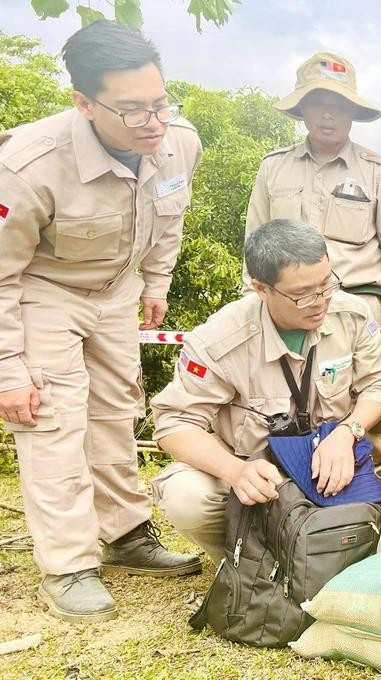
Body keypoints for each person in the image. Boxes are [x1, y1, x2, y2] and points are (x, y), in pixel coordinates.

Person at [0, 20, 202, 623]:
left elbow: (170, 216)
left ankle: (127, 534)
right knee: (54, 417)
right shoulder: (28, 165)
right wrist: (9, 369)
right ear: (83, 103)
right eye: (133, 111)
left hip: (117, 289)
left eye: (160, 102)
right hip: (44, 287)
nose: (154, 123)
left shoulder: (177, 140)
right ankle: (67, 564)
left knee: (117, 407)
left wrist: (157, 283)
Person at [151, 220, 381, 564]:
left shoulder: (352, 316)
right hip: (255, 475)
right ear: (260, 288)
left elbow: (380, 384)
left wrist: (347, 432)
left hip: (325, 470)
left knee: (379, 548)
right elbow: (174, 423)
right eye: (302, 295)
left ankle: (307, 558)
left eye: (326, 284)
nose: (320, 302)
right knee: (186, 497)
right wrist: (235, 472)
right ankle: (250, 560)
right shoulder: (219, 339)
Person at [243, 51, 381, 496]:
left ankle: (377, 500)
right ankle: (298, 494)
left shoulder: (380, 172)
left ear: (353, 113)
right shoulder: (273, 168)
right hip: (283, 306)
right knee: (286, 399)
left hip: (360, 305)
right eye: (318, 103)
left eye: (339, 105)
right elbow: (254, 244)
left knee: (368, 401)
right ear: (301, 108)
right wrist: (254, 306)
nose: (328, 114)